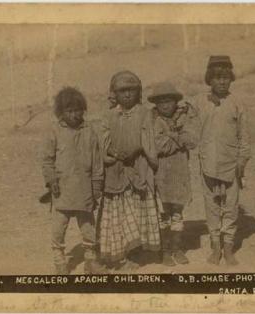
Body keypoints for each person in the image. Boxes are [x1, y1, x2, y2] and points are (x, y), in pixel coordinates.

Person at [99, 70, 160, 270]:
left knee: (138, 211)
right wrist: (112, 155)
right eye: (122, 91)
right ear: (114, 93)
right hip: (116, 172)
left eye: (132, 90)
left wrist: (137, 150)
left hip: (138, 169)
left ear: (138, 92)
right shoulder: (108, 116)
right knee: (120, 214)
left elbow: (150, 141)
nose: (127, 95)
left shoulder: (145, 113)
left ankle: (135, 254)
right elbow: (102, 143)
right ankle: (120, 255)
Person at [193, 56, 251, 266]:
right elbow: (186, 123)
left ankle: (228, 248)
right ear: (210, 79)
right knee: (212, 206)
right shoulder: (200, 103)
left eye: (226, 77)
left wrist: (241, 162)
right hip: (208, 164)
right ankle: (215, 248)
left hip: (231, 165)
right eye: (217, 78)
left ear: (231, 79)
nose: (222, 82)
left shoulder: (237, 104)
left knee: (230, 207)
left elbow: (244, 137)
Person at [42, 87, 106, 274]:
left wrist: (96, 186)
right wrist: (51, 179)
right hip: (61, 190)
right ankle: (59, 260)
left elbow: (97, 162)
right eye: (69, 111)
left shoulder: (89, 132)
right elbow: (47, 160)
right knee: (58, 227)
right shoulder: (54, 132)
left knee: (88, 227)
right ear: (61, 113)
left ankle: (90, 259)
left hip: (85, 189)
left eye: (78, 110)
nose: (74, 115)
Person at [148, 81, 198, 266]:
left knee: (177, 214)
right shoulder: (154, 120)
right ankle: (165, 251)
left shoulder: (184, 118)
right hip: (161, 176)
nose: (165, 105)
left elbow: (192, 139)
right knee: (163, 215)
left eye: (169, 101)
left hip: (179, 174)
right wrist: (178, 138)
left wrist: (171, 137)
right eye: (161, 102)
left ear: (175, 102)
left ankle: (177, 248)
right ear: (156, 104)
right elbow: (159, 146)